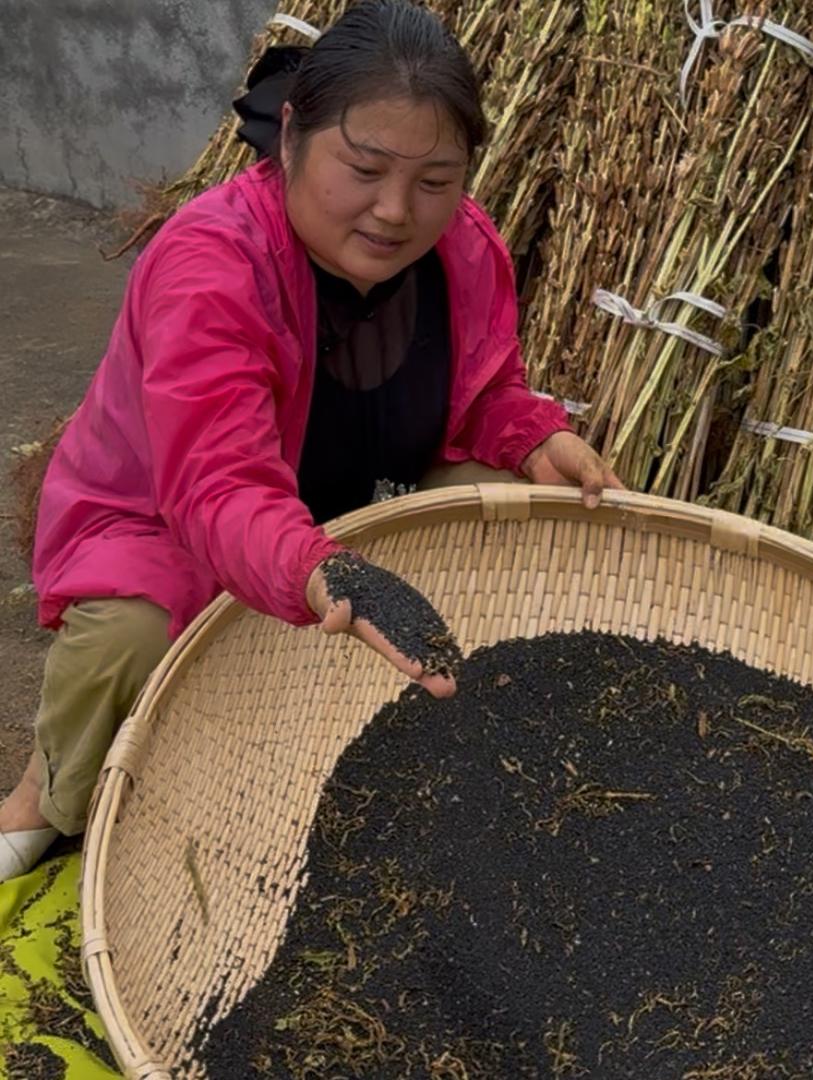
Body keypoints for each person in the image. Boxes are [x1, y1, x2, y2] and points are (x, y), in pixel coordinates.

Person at [0, 0, 621, 881]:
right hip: (172, 523)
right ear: (291, 135)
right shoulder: (213, 263)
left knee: (512, 499)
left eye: (437, 180)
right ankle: (42, 796)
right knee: (129, 635)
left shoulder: (467, 249)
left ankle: (408, 739)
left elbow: (483, 393)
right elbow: (216, 487)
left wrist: (532, 439)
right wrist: (315, 568)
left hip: (348, 504)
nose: (397, 212)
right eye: (363, 168)